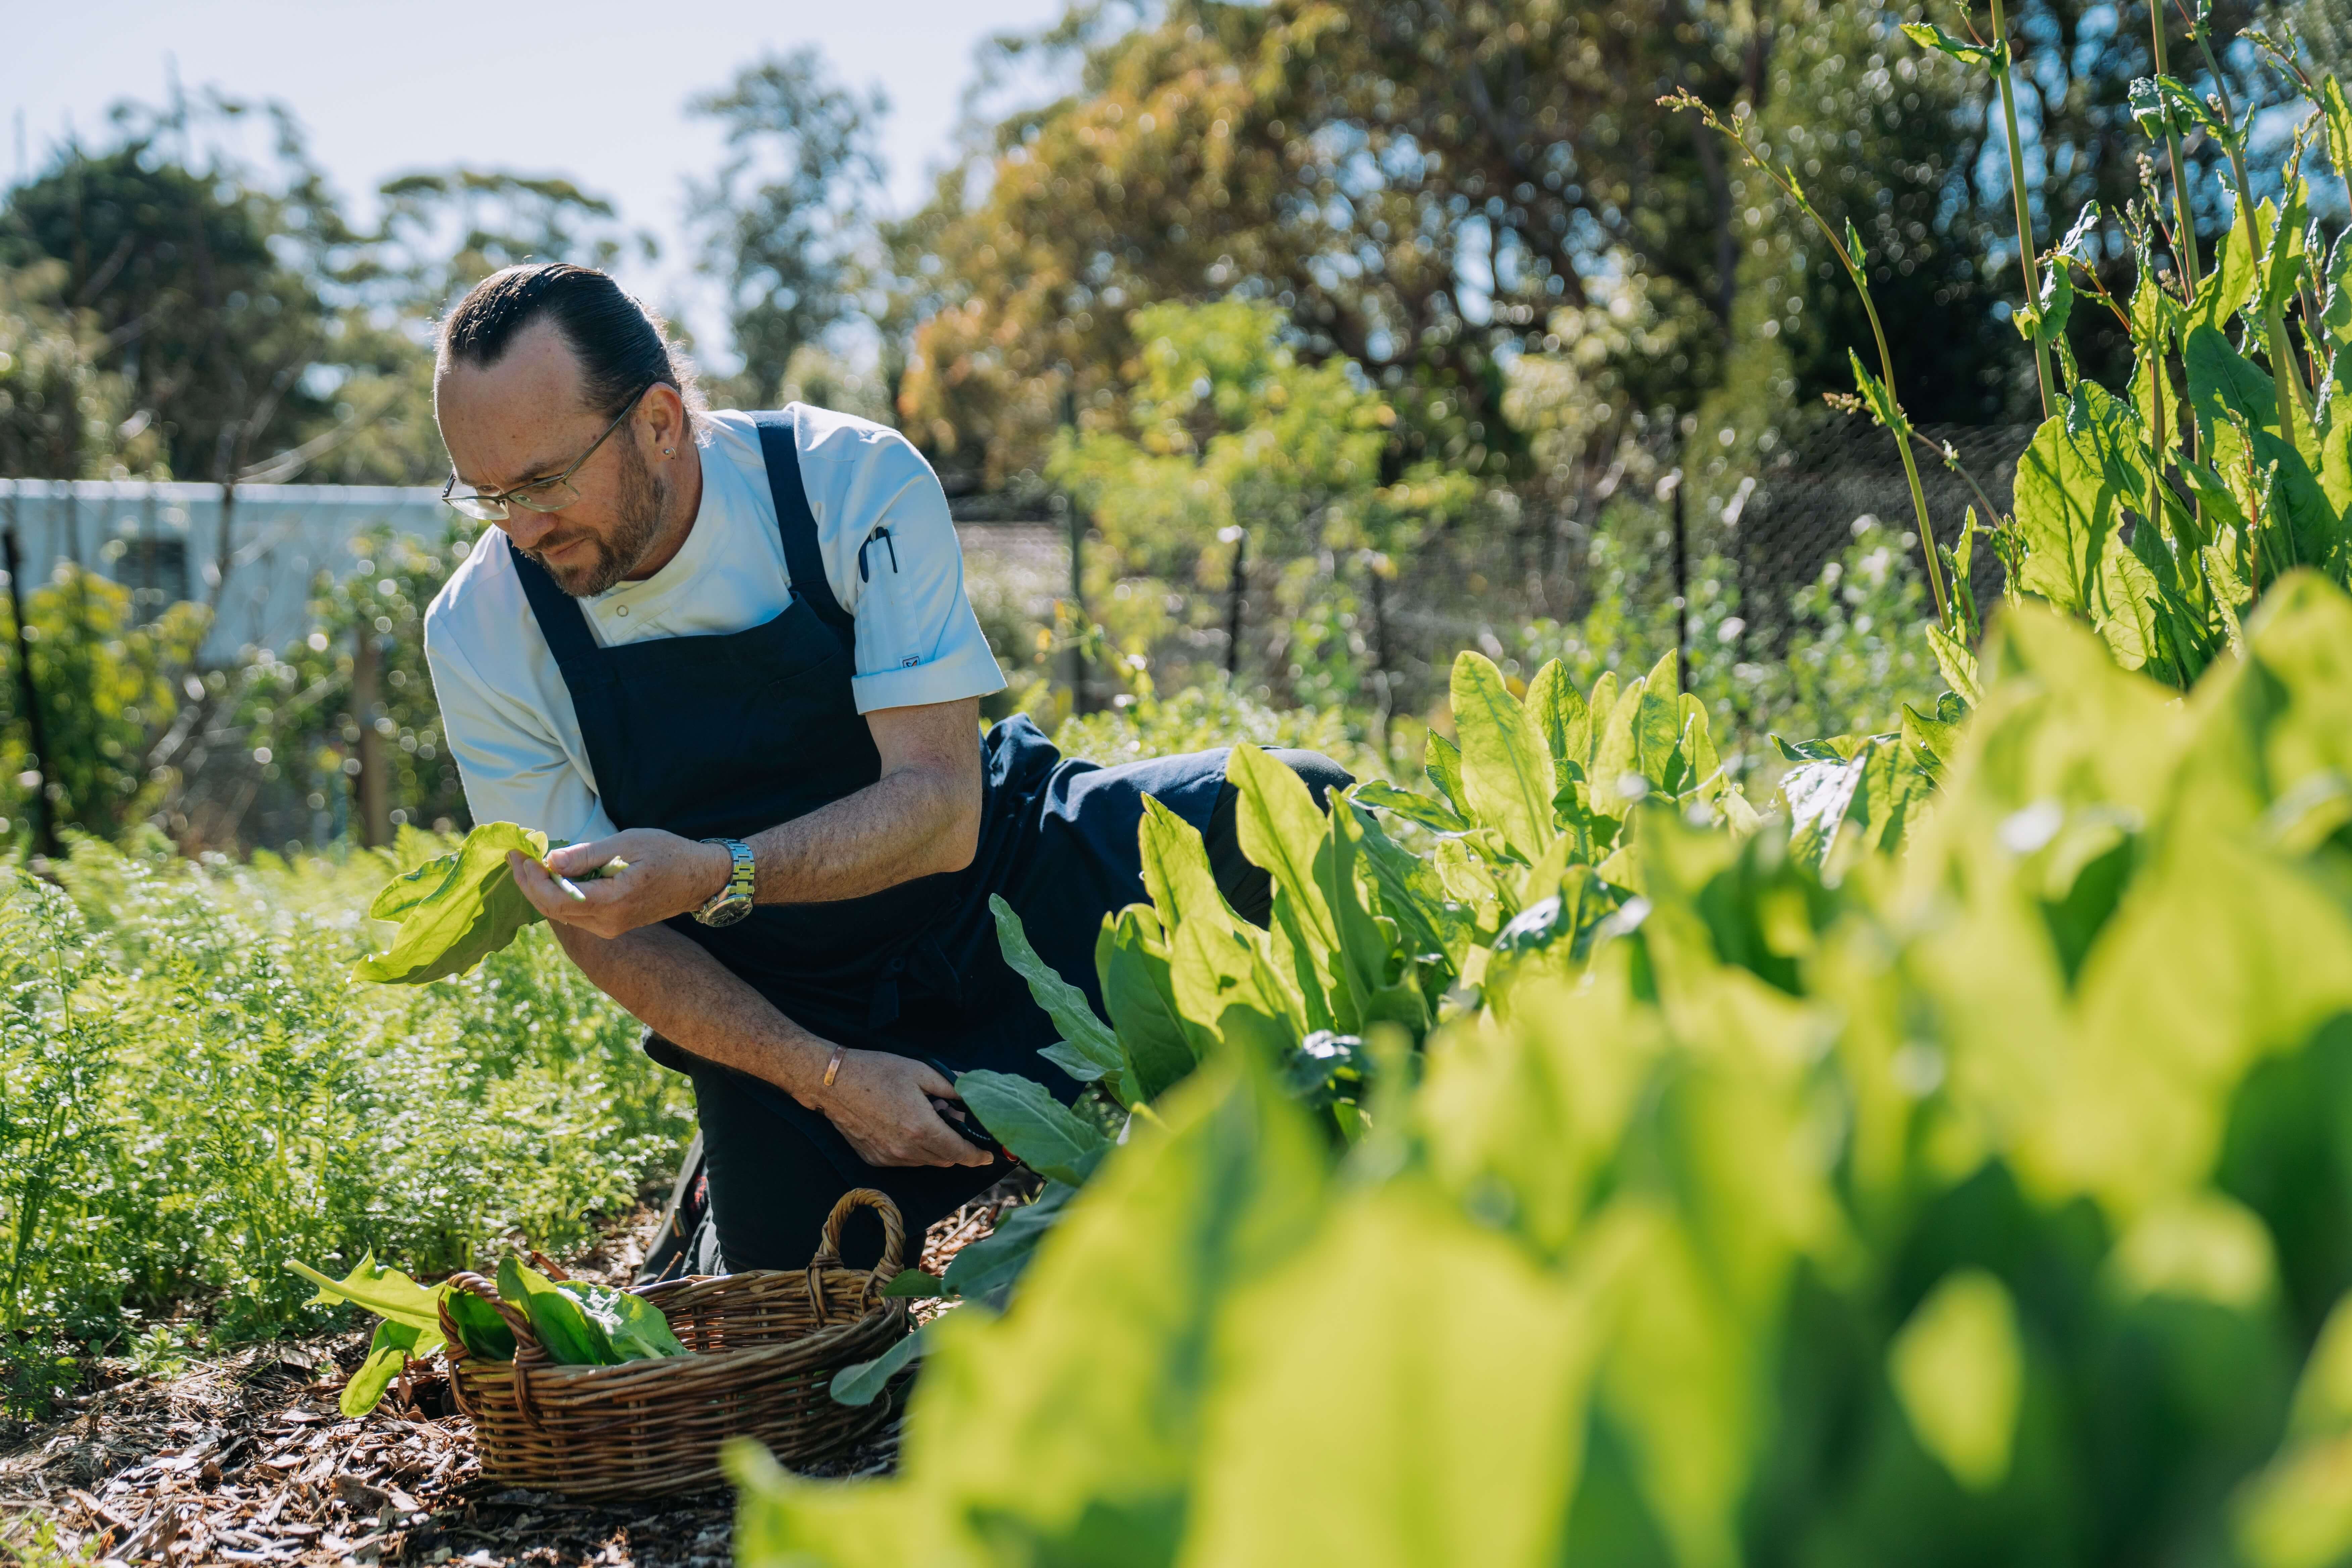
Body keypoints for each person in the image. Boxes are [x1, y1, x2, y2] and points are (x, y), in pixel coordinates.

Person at [422, 263, 1349, 1274]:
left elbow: (942, 807)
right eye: (488, 494)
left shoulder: (845, 481)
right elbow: (596, 928)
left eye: (547, 483)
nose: (522, 527)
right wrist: (823, 1076)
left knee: (1290, 805)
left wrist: (717, 872)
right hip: (788, 1006)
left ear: (659, 422)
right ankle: (740, 1182)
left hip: (998, 893)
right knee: (789, 1324)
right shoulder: (482, 628)